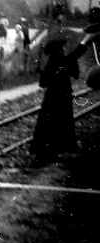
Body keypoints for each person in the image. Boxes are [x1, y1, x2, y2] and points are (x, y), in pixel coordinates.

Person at [30, 30, 98, 164]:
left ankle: (48, 152)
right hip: (59, 99)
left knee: (49, 126)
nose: (63, 50)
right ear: (57, 51)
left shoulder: (52, 62)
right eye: (61, 49)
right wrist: (85, 41)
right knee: (59, 125)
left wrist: (43, 73)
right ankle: (50, 152)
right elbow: (74, 56)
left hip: (51, 99)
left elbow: (43, 83)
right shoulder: (60, 60)